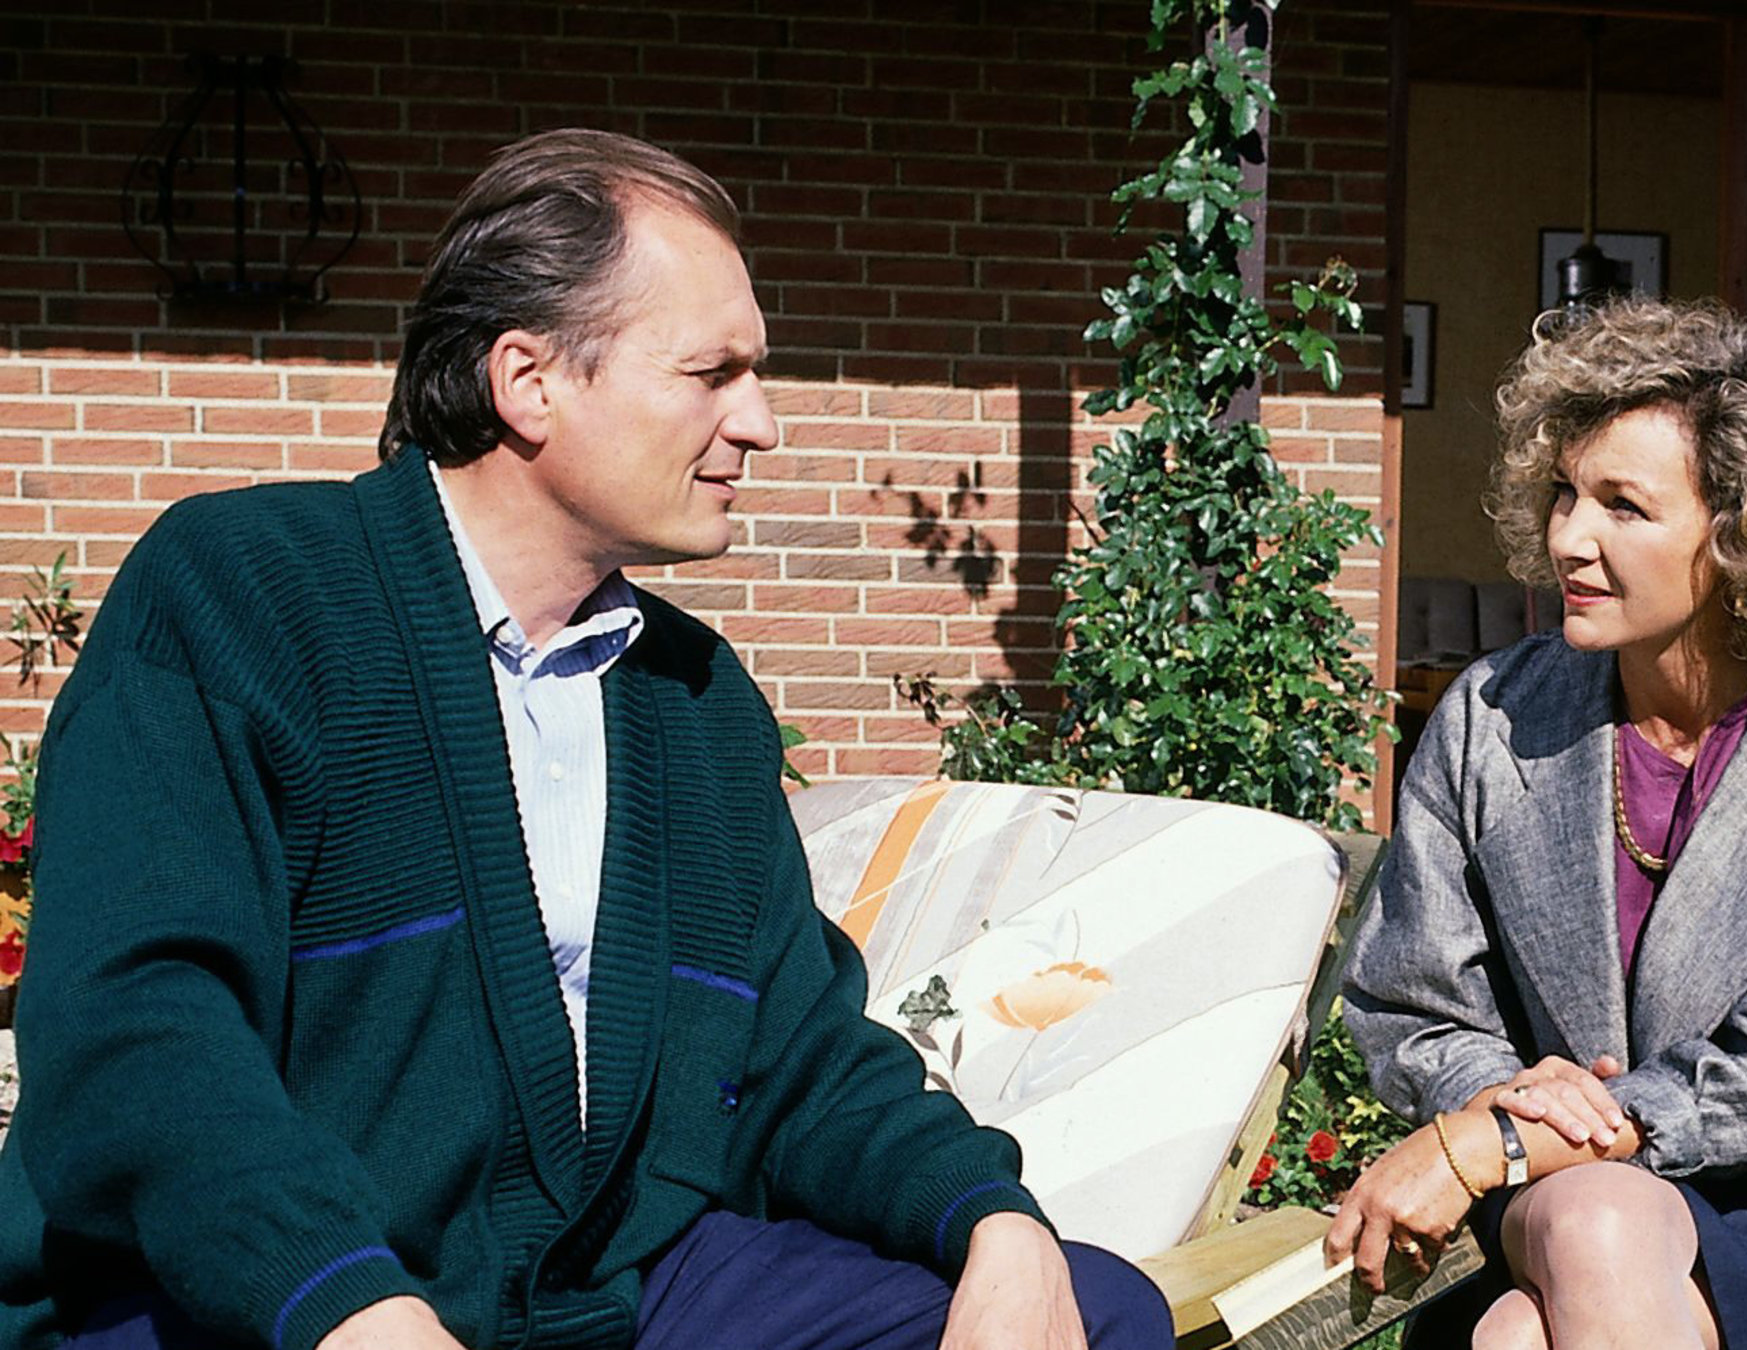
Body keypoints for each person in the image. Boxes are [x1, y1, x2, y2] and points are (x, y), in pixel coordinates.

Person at [0, 129, 1170, 1350]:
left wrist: (993, 1222)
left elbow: (796, 1062)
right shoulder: (247, 598)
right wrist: (350, 1308)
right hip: (243, 1300)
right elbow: (140, 1028)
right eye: (711, 372)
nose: (760, 422)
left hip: (600, 1297)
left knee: (1090, 1315)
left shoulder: (697, 700)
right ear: (528, 382)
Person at [1330, 299, 1747, 1349]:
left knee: (1513, 1336)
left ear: (1742, 533)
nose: (1567, 539)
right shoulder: (1491, 721)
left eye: (1621, 507)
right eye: (1562, 495)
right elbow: (1413, 1002)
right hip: (1546, 1196)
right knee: (1592, 1218)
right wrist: (1503, 1108)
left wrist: (1500, 1144)